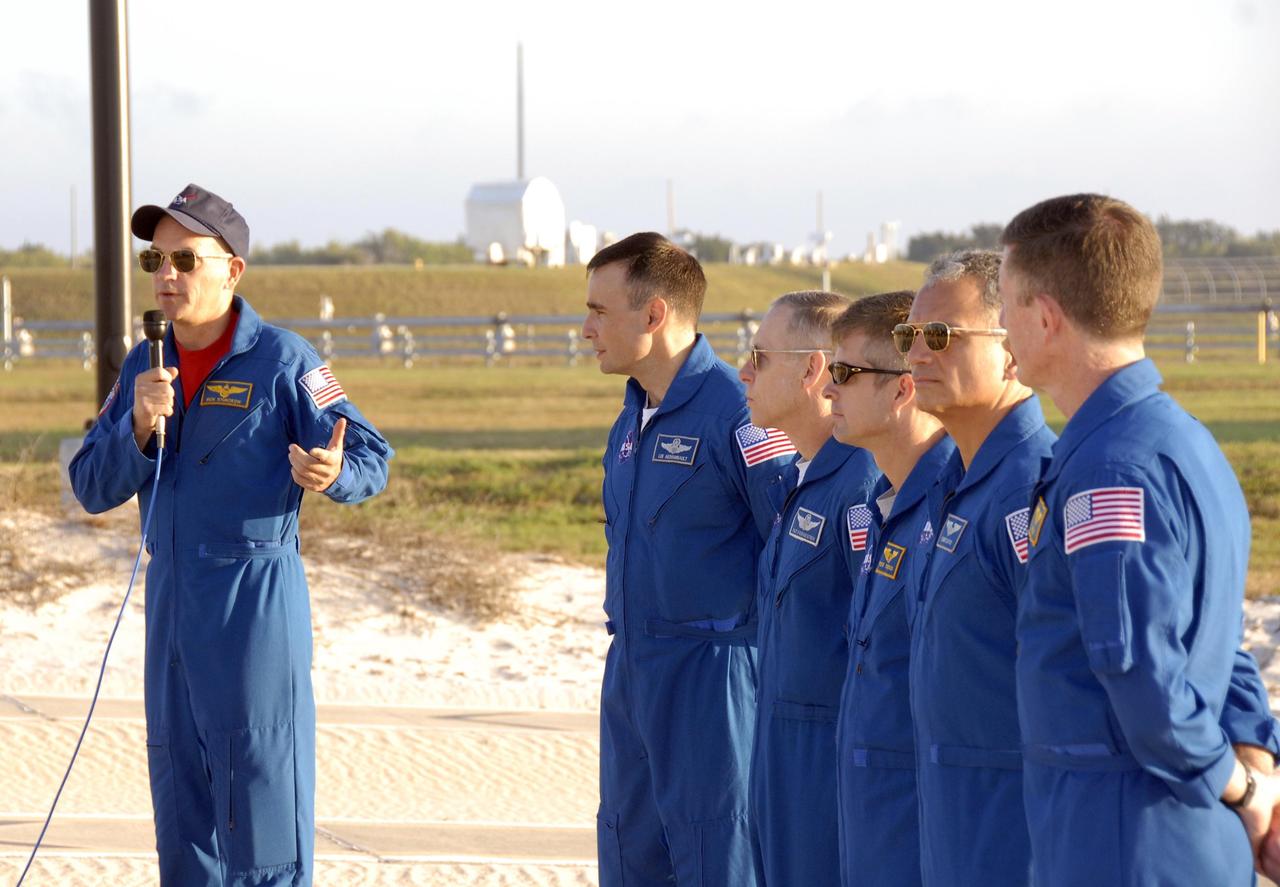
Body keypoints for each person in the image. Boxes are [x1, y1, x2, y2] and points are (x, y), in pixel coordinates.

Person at [69, 184, 393, 887]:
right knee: (181, 803)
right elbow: (91, 484)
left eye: (186, 258)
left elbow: (372, 456)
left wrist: (332, 470)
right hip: (172, 601)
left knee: (261, 804)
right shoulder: (141, 364)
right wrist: (136, 428)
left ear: (233, 270)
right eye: (156, 257)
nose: (166, 274)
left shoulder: (285, 359)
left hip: (253, 601)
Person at [1000, 193, 1280, 886]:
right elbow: (1215, 639)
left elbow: (1142, 677)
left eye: (1004, 304)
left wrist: (1239, 789)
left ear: (1045, 316)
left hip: (1125, 837)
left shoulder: (1110, 469)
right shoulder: (1180, 439)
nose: (1000, 327)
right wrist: (1254, 765)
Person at [583, 232, 797, 886]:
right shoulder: (630, 418)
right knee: (628, 844)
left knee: (715, 852)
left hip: (715, 674)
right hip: (633, 667)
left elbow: (791, 544)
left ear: (653, 315)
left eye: (599, 310)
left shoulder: (741, 412)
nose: (585, 326)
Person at [899, 249, 1056, 885]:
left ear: (1013, 348)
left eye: (940, 336)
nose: (915, 356)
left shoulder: (1029, 492)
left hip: (1011, 836)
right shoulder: (956, 482)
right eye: (908, 336)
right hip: (951, 823)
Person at [737, 291, 880, 887]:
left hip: (828, 766)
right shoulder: (804, 477)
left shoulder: (861, 483)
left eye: (760, 355)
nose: (743, 370)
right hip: (781, 751)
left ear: (812, 370)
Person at [824, 290, 952, 887]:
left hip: (929, 828)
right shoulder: (884, 503)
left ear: (902, 390)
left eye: (844, 373)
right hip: (875, 817)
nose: (827, 390)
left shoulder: (955, 505)